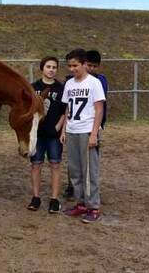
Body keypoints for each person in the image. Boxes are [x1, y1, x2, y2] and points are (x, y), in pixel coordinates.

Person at [60, 49, 106, 223]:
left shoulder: (94, 83)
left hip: (87, 131)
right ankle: (80, 204)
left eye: (75, 65)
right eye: (70, 66)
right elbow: (67, 109)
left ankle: (93, 207)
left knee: (89, 171)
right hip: (72, 130)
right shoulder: (69, 84)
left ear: (84, 64)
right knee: (75, 170)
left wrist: (94, 133)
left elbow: (99, 109)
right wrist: (64, 130)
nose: (72, 69)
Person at [27, 56, 66, 213]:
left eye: (54, 67)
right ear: (42, 68)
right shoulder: (33, 87)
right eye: (48, 66)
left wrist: (58, 128)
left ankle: (54, 199)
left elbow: (65, 111)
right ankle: (36, 197)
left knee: (55, 164)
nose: (51, 70)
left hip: (53, 135)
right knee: (36, 165)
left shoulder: (61, 88)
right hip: (37, 134)